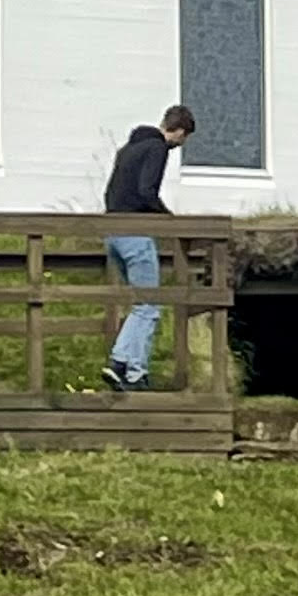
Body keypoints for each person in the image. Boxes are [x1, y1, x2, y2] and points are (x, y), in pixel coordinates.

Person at [100, 105, 195, 390]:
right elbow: (146, 191)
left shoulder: (128, 149)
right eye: (184, 138)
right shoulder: (157, 149)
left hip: (112, 233)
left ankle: (128, 368)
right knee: (149, 306)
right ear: (179, 131)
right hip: (135, 234)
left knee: (142, 305)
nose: (181, 144)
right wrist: (168, 220)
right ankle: (128, 367)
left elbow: (111, 193)